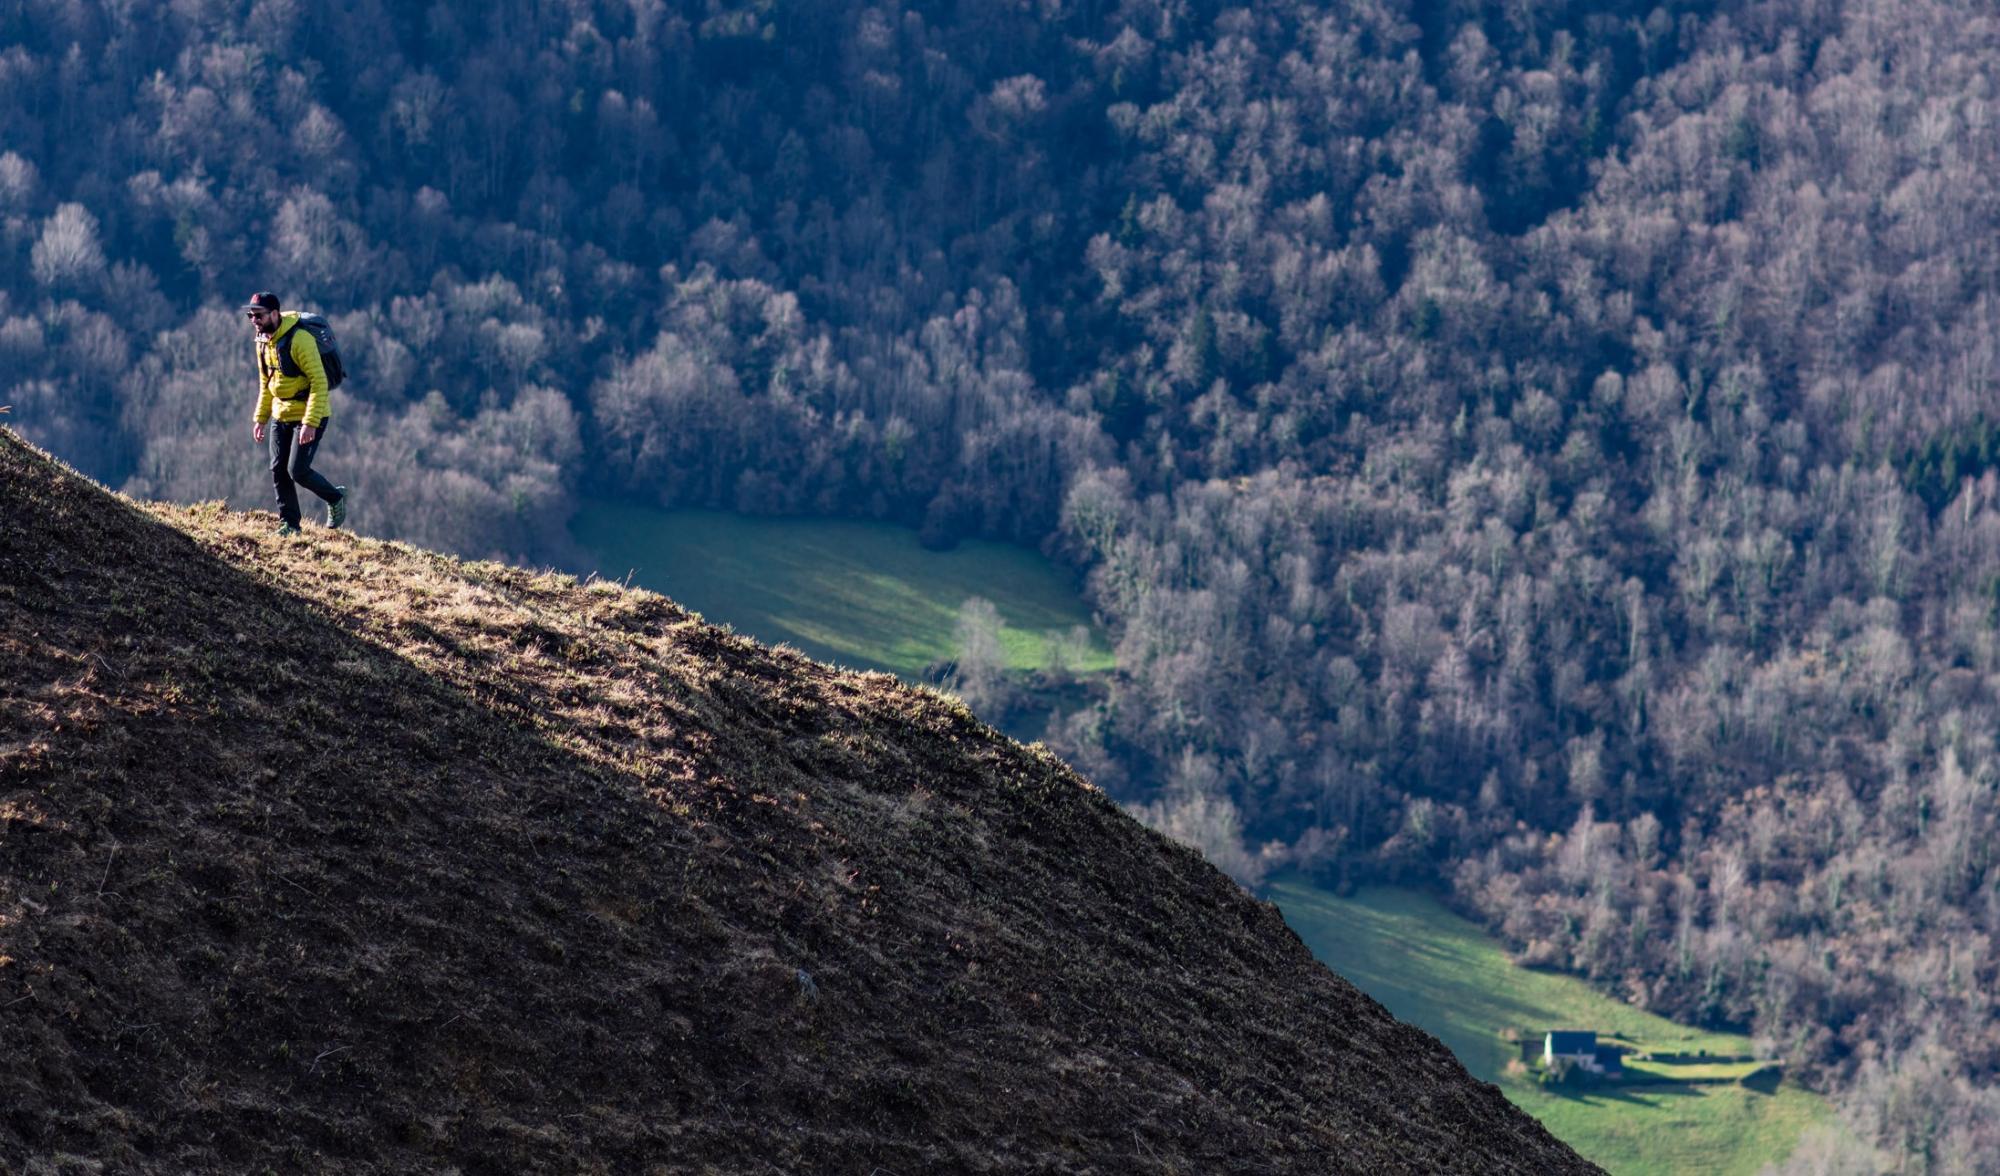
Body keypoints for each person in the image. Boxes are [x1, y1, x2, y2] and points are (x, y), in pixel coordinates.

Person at [245, 291, 347, 536]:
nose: (253, 320)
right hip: (281, 413)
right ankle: (290, 524)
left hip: (310, 414)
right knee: (278, 468)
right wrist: (260, 418)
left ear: (274, 314)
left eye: (258, 315)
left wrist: (310, 423)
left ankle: (335, 497)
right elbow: (266, 382)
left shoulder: (299, 340)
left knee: (297, 471)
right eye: (250, 315)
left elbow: (319, 382)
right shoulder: (262, 342)